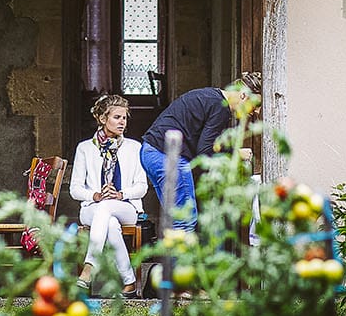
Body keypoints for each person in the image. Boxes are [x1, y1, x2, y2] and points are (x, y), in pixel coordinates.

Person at [138, 72, 261, 231]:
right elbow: (205, 150)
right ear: (244, 96)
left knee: (176, 220)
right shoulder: (220, 107)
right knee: (185, 221)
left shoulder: (211, 96)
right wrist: (236, 154)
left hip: (149, 152)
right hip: (167, 156)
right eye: (256, 104)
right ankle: (182, 256)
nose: (257, 111)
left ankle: (173, 254)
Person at [69, 93, 148, 298]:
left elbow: (142, 187)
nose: (122, 122)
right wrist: (96, 195)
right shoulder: (85, 148)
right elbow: (75, 190)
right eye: (116, 117)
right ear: (103, 119)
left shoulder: (134, 147)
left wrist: (120, 194)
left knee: (108, 209)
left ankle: (89, 267)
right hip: (91, 209)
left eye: (124, 118)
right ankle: (129, 282)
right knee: (109, 222)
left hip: (126, 207)